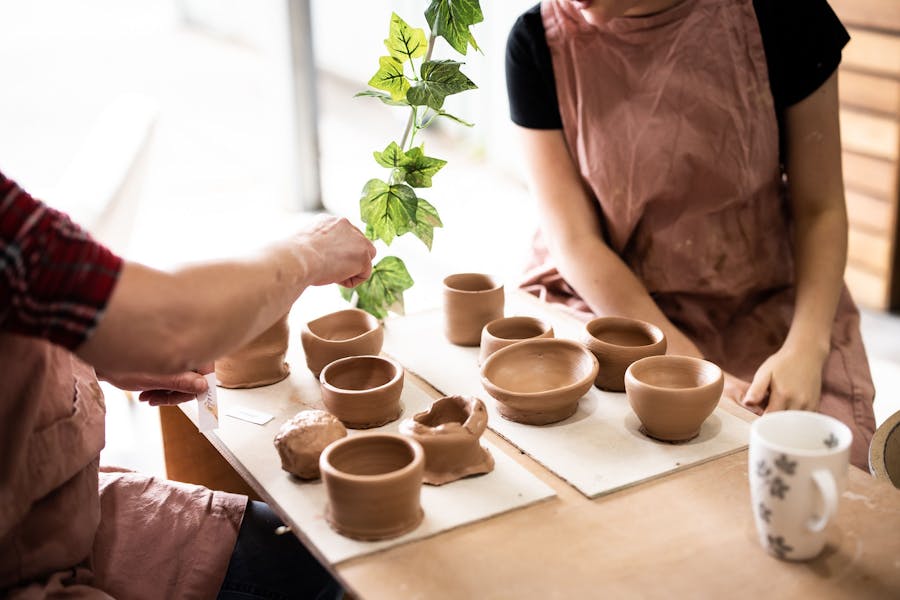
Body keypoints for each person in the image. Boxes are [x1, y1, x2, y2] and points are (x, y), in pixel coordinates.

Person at [505, 0, 876, 469]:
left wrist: (807, 345)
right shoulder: (537, 43)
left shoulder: (783, 13)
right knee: (580, 458)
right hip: (612, 300)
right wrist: (686, 363)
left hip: (767, 306)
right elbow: (574, 241)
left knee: (812, 473)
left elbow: (820, 209)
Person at [0, 168, 376, 598]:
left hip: (56, 512)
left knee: (311, 562)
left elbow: (41, 301)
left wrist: (86, 356)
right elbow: (174, 323)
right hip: (20, 566)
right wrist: (311, 251)